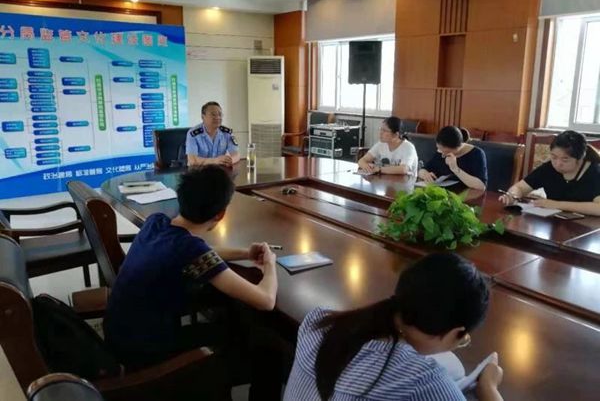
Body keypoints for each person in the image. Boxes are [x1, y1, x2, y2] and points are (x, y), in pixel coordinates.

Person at [104, 165, 287, 400]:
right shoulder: (189, 249)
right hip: (147, 355)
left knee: (232, 318)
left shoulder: (157, 222)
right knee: (270, 351)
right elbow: (266, 300)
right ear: (220, 214)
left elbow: (201, 251)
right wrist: (270, 264)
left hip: (122, 337)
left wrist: (245, 253)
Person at [284, 253, 503, 401]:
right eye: (463, 340)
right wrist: (489, 389)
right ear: (456, 333)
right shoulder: (424, 382)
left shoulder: (318, 321)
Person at [500, 130, 600, 216]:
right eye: (554, 157)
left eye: (565, 160)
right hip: (555, 223)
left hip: (588, 227)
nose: (558, 164)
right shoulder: (549, 168)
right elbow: (520, 187)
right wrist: (512, 195)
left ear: (580, 158)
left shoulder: (595, 172)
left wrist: (556, 204)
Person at [418, 126, 487, 190]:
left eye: (446, 152)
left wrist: (455, 169)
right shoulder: (441, 151)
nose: (442, 155)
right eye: (440, 149)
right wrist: (425, 174)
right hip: (441, 193)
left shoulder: (476, 154)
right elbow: (423, 170)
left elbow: (481, 186)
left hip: (466, 195)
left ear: (459, 146)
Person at [186, 101, 240, 167]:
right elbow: (192, 160)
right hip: (198, 171)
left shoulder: (227, 133)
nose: (217, 117)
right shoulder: (193, 134)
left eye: (220, 114)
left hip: (219, 170)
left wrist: (230, 160)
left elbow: (236, 154)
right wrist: (215, 161)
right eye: (213, 114)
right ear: (203, 117)